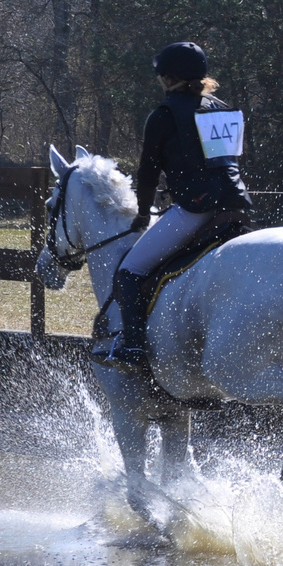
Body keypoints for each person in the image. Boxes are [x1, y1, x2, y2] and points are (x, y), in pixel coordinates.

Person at [96, 41, 254, 372]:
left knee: (128, 271)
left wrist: (142, 213)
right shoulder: (222, 108)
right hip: (236, 205)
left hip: (197, 209)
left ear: (168, 78)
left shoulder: (164, 115)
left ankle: (134, 347)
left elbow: (149, 171)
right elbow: (226, 161)